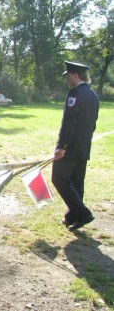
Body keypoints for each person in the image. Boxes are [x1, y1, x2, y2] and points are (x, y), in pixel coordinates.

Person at [51, 61, 99, 231]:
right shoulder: (92, 94)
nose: (66, 80)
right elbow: (93, 124)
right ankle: (73, 216)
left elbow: (69, 122)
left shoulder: (75, 93)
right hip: (84, 145)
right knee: (76, 182)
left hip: (70, 147)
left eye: (67, 76)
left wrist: (62, 146)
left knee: (59, 178)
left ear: (74, 75)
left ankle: (83, 213)